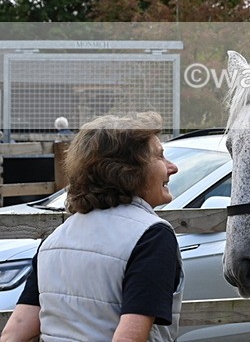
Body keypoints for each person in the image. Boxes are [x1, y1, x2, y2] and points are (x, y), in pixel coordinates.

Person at [1, 112, 184, 342]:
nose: (173, 167)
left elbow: (14, 333)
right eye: (160, 156)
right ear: (130, 170)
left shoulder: (55, 239)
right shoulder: (151, 236)